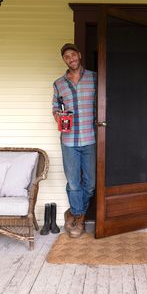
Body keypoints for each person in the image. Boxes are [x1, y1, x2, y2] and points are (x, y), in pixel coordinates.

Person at [52, 43, 96, 238]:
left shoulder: (95, 78)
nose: (71, 59)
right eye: (66, 57)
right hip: (69, 140)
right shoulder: (59, 83)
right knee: (73, 183)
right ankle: (79, 218)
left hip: (91, 138)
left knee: (90, 183)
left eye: (73, 55)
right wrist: (58, 116)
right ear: (64, 60)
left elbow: (102, 104)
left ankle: (74, 212)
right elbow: (55, 107)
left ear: (79, 55)